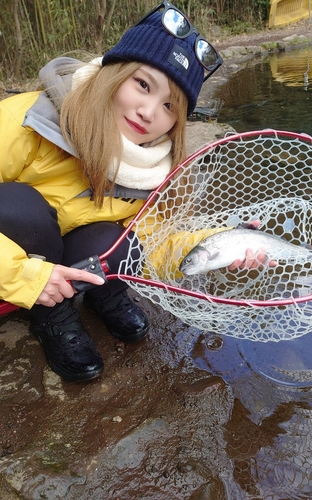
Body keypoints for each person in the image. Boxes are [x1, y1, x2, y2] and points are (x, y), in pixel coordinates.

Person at [0, 1, 261, 383]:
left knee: (126, 240)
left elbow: (157, 243)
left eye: (170, 105)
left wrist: (224, 246)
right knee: (21, 207)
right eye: (142, 85)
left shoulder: (156, 169)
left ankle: (103, 293)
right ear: (113, 74)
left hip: (71, 253)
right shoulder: (26, 119)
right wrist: (24, 276)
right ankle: (51, 313)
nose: (148, 112)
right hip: (14, 260)